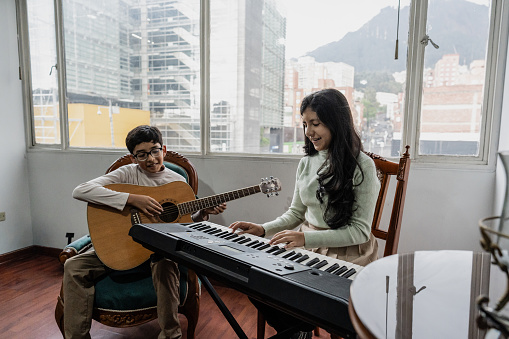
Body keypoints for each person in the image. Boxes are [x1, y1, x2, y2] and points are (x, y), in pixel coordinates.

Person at [230, 88, 380, 339]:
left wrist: (305, 239)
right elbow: (296, 213)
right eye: (305, 124)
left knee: (312, 301)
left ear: (336, 122)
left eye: (316, 124)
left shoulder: (362, 165)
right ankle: (299, 331)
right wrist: (263, 229)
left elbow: (360, 231)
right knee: (256, 282)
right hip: (308, 247)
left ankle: (298, 329)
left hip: (349, 252)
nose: (309, 132)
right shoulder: (306, 162)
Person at [63, 125, 226, 339]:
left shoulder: (177, 183)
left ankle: (170, 335)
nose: (150, 159)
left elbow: (184, 223)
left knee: (166, 265)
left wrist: (202, 213)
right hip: (124, 245)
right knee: (73, 266)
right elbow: (80, 190)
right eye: (141, 154)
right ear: (133, 158)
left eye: (155, 151)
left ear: (164, 150)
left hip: (158, 250)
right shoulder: (126, 173)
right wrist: (132, 199)